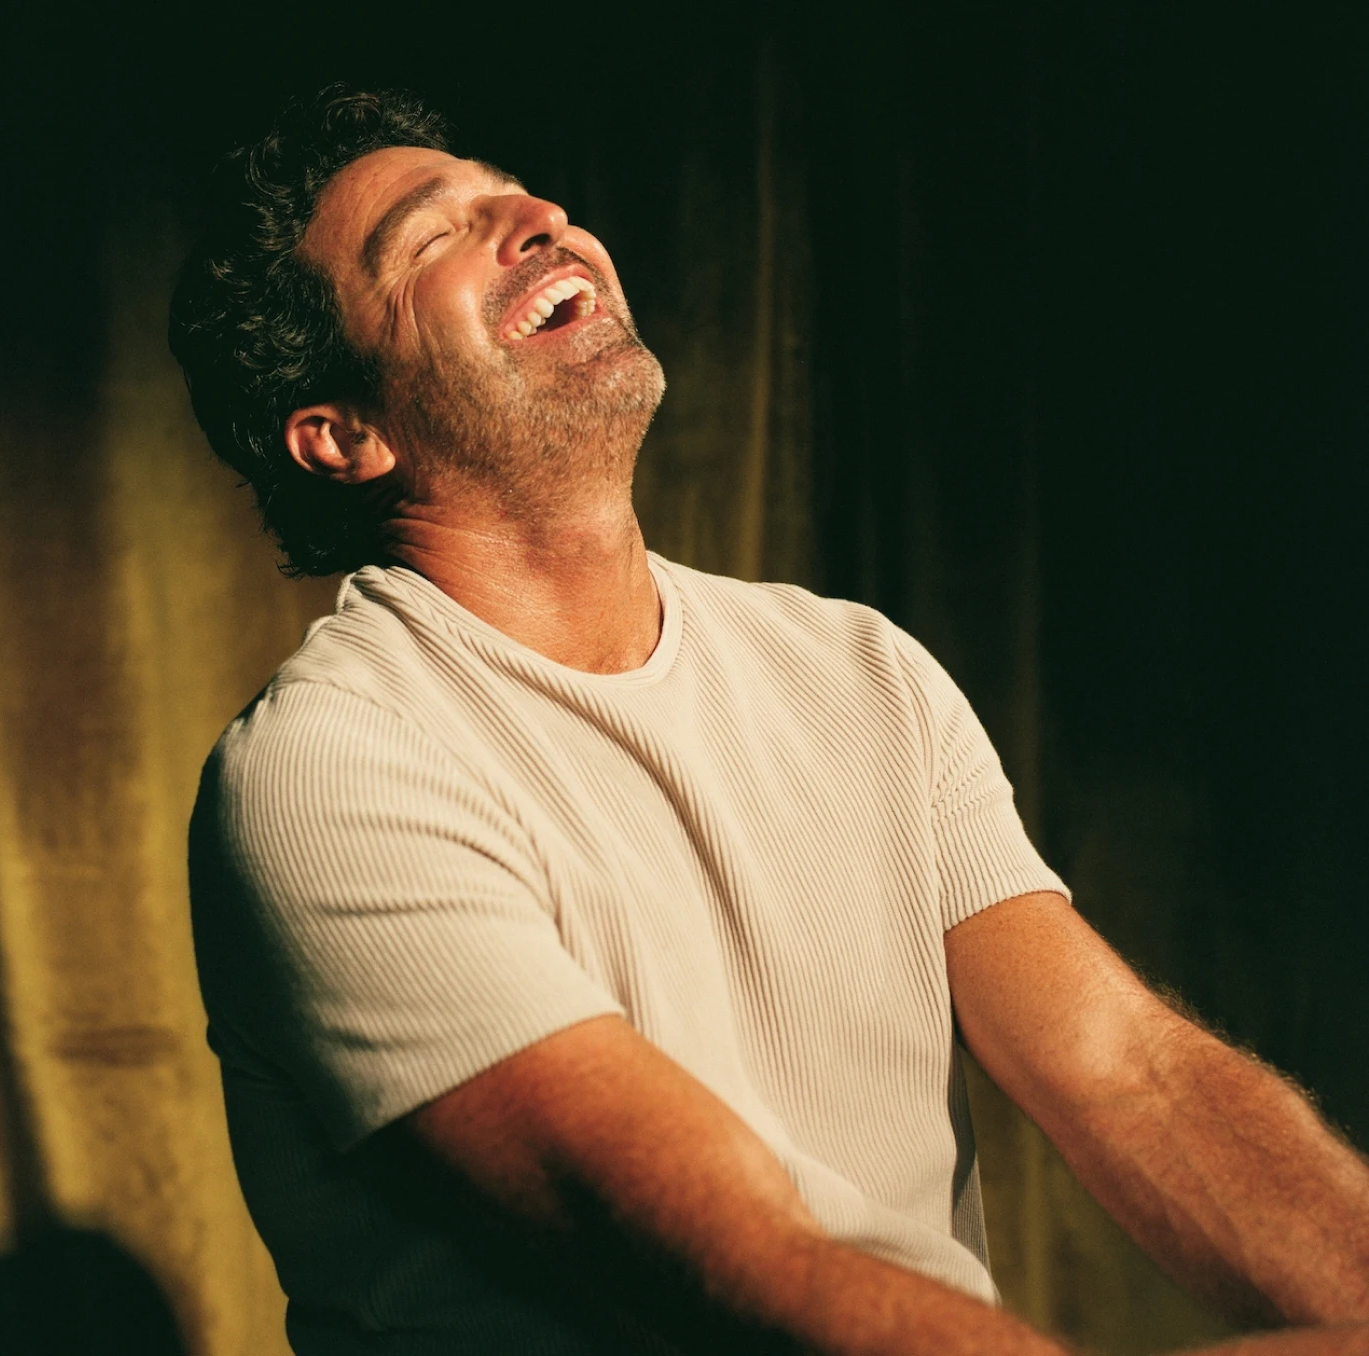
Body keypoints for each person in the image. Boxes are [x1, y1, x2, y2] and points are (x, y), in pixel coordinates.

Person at [171, 85, 1369, 1356]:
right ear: (342, 434)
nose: (538, 215)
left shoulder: (855, 668)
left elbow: (1129, 1069)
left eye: (513, 189)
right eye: (433, 235)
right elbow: (733, 1272)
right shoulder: (331, 767)